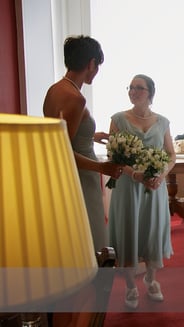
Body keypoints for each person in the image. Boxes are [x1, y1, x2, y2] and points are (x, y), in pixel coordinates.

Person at [43, 35, 123, 251]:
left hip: (68, 173)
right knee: (91, 231)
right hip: (81, 174)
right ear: (91, 63)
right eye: (97, 66)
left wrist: (92, 136)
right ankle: (97, 282)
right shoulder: (76, 98)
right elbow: (61, 151)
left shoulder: (55, 89)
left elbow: (59, 134)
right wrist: (102, 167)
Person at [108, 74, 176, 309]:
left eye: (139, 88)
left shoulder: (163, 122)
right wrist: (134, 174)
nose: (133, 91)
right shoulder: (118, 119)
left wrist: (162, 174)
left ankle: (151, 279)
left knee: (152, 229)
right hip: (128, 186)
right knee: (129, 231)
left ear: (150, 93)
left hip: (155, 187)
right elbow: (112, 158)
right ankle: (130, 286)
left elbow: (171, 154)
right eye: (131, 87)